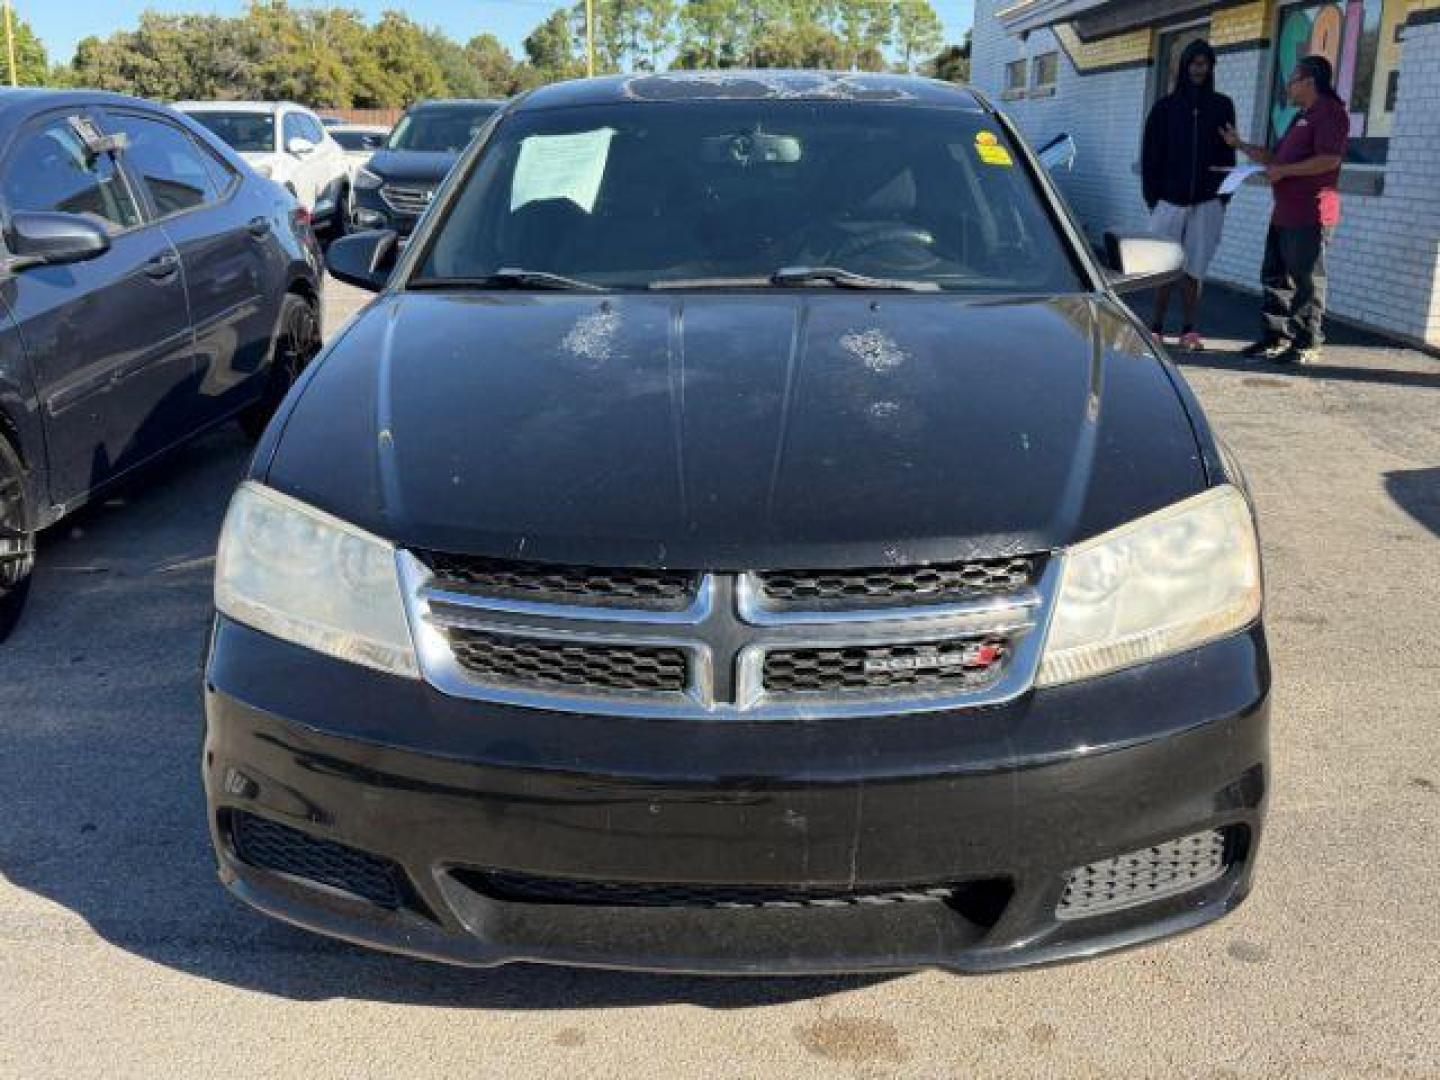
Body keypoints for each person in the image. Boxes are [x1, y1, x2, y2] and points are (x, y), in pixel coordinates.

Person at [1223, 54, 1349, 365]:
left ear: (1309, 81)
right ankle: (1275, 337)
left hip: (1312, 212)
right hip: (1284, 212)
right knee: (1275, 276)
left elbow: (1329, 159)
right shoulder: (1300, 117)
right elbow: (1274, 158)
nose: (1287, 87)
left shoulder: (1330, 113)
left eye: (1292, 80)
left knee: (1306, 278)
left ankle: (1307, 342)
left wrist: (1286, 171)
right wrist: (1239, 145)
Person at [1141, 38, 1236, 351]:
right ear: (1184, 66)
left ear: (1210, 68)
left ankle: (1189, 330)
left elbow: (1228, 155)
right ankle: (1154, 326)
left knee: (1195, 269)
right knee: (1165, 268)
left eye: (1205, 63)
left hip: (1207, 203)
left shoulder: (1222, 105)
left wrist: (1222, 198)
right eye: (1194, 63)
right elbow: (1151, 155)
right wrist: (1153, 197)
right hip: (1169, 202)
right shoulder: (1165, 108)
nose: (1199, 69)